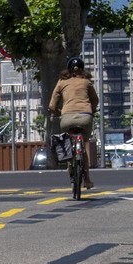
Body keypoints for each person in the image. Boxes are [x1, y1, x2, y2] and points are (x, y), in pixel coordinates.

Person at [48, 55, 99, 189]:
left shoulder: (61, 82)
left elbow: (52, 106)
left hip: (67, 118)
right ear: (83, 69)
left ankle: (71, 167)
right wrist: (91, 111)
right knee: (84, 144)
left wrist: (59, 114)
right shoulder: (86, 82)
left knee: (68, 143)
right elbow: (95, 100)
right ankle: (87, 180)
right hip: (85, 117)